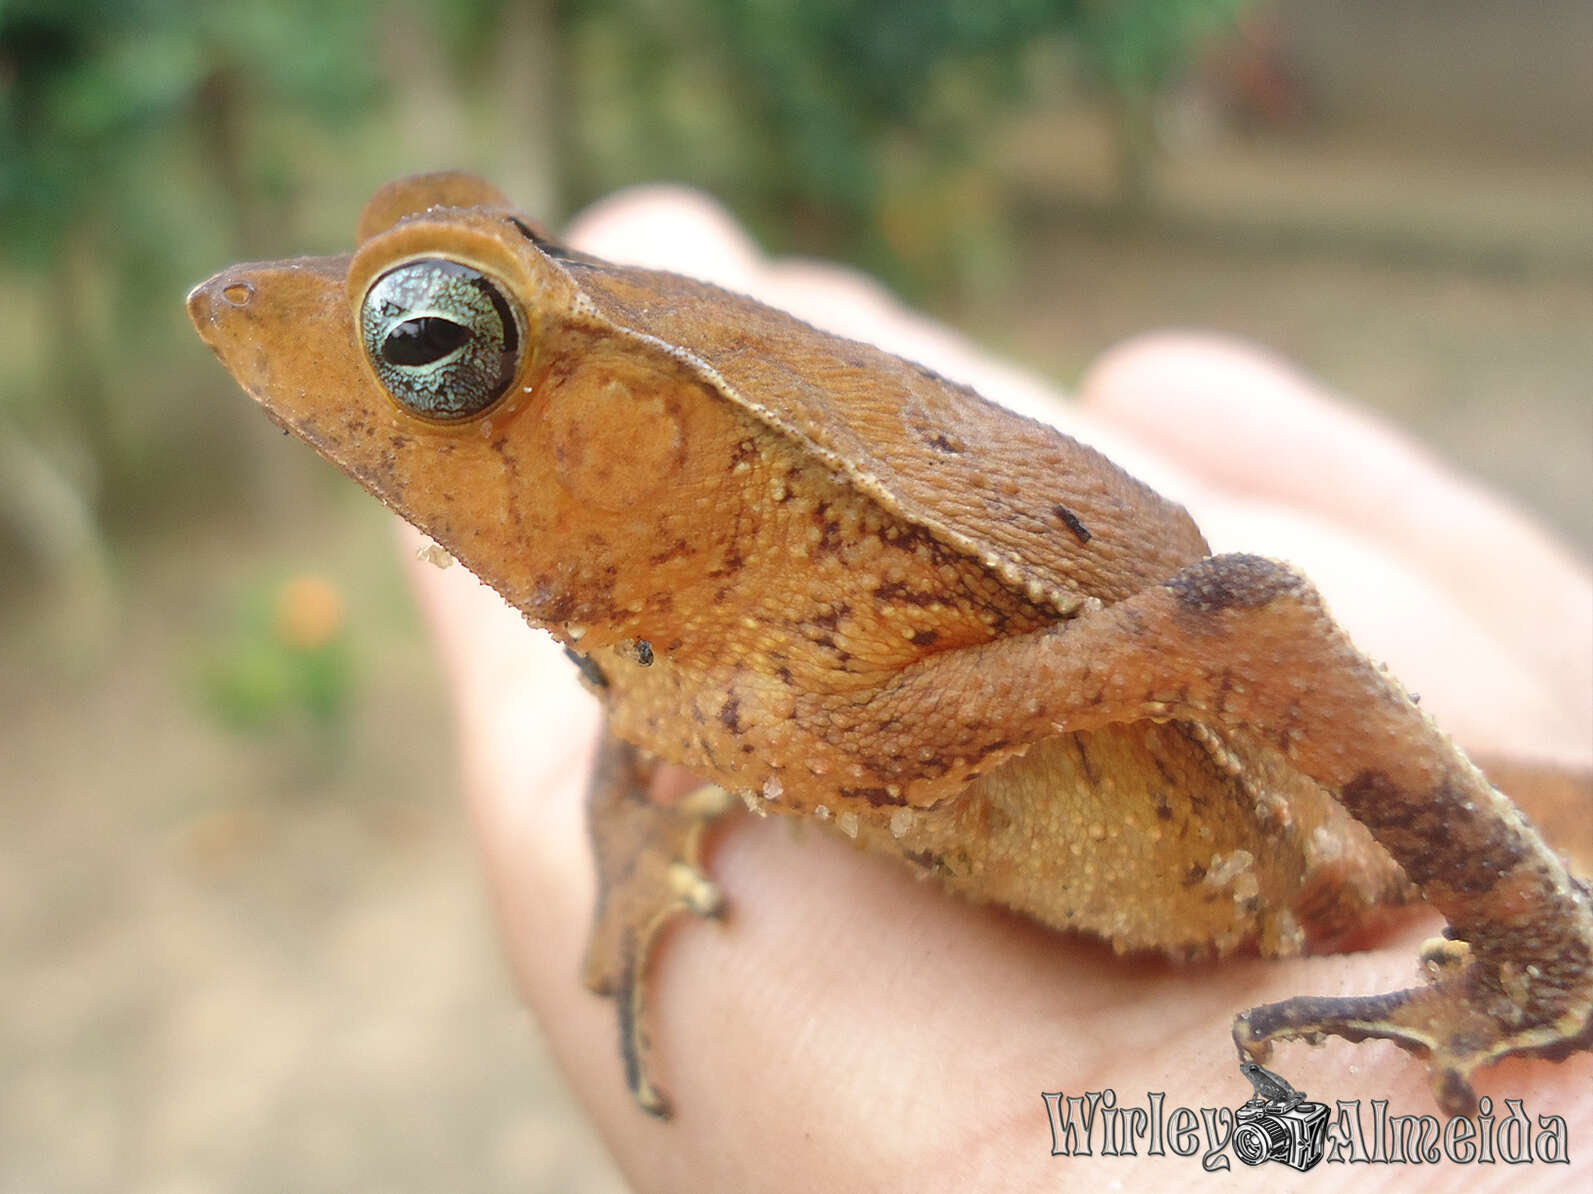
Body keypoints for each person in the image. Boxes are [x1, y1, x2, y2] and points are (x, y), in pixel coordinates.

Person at [399, 189, 1592, 1188]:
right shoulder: (676, 643)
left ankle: (1553, 962)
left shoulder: (849, 708)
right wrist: (630, 837)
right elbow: (642, 668)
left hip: (1296, 859)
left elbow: (1254, 629)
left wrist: (1534, 948)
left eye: (427, 343)